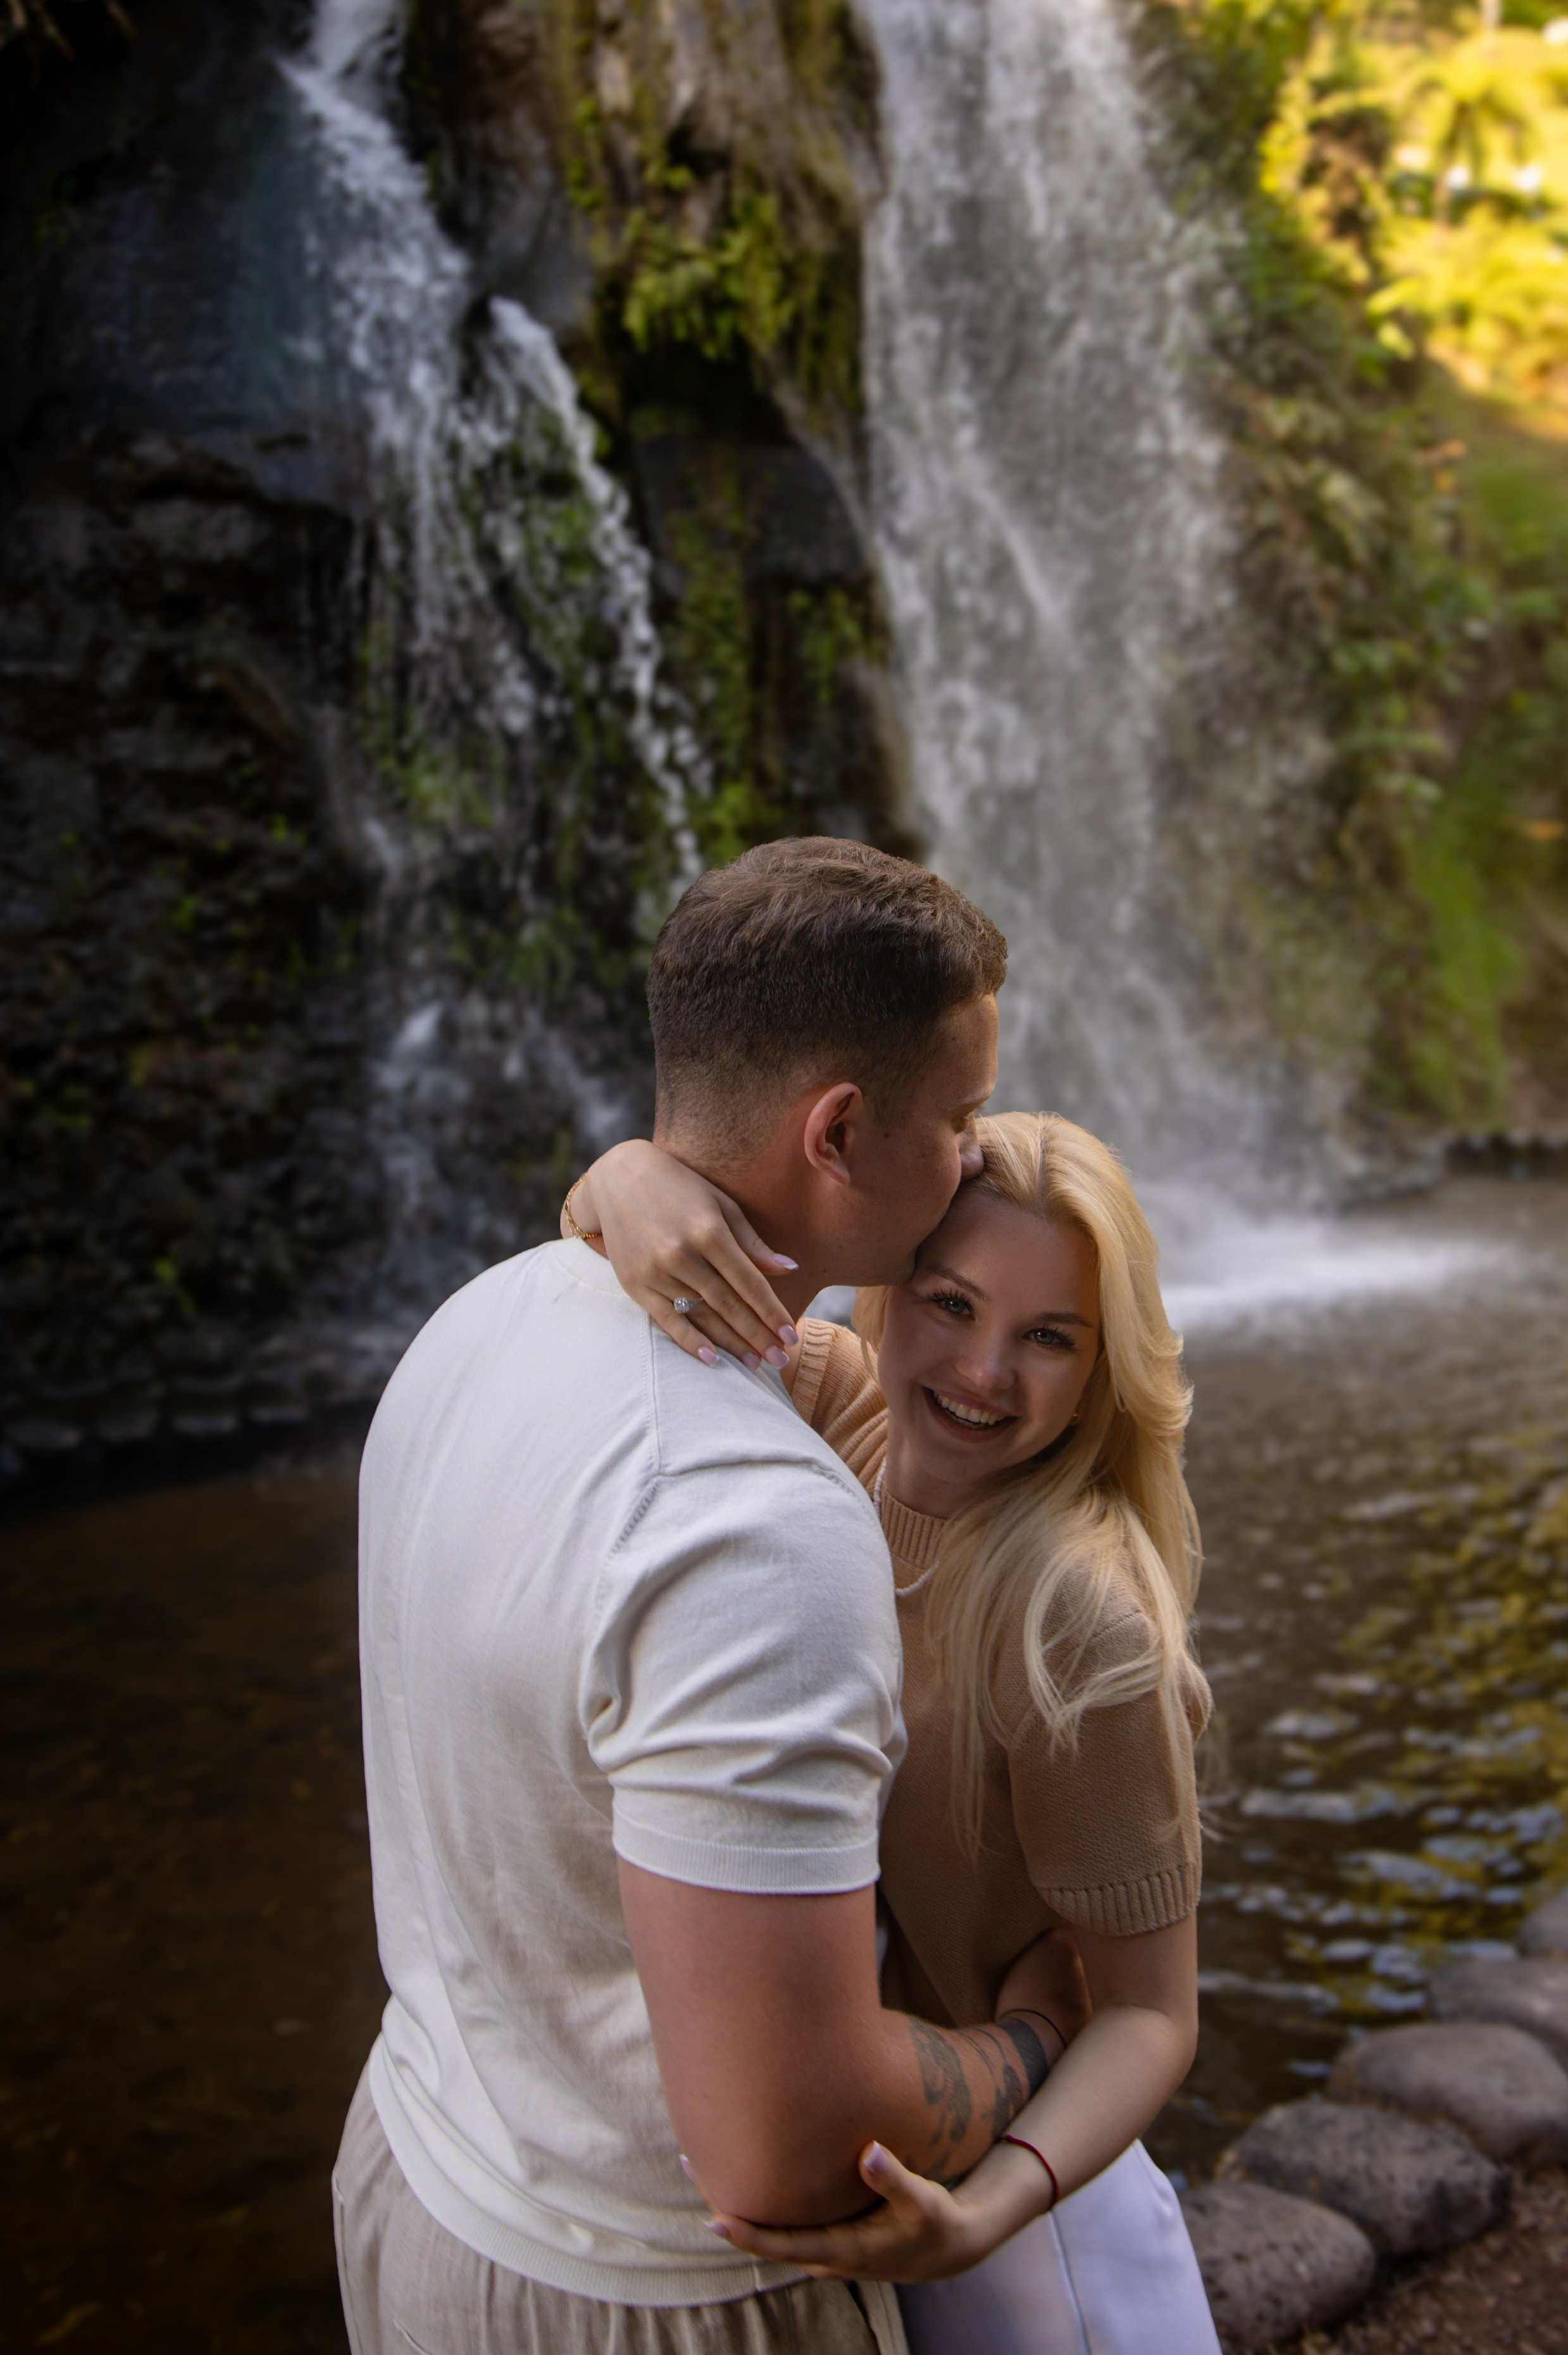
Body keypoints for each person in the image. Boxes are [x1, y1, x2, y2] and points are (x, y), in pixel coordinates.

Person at [334, 837, 1088, 2355]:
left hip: (422, 2177)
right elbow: (781, 2152)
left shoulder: (480, 1319)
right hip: (657, 2296)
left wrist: (624, 1174)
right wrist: (1035, 2039)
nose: (969, 1154)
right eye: (953, 1117)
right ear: (838, 1129)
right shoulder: (759, 1533)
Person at [568, 1107, 1222, 2354]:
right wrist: (620, 1177)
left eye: (1047, 1338)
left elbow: (1150, 2016)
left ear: (1098, 1370)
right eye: (949, 1304)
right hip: (855, 2128)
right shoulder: (833, 1408)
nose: (982, 1373)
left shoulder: (1076, 1620)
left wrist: (993, 2210)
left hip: (1023, 2214)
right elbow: (613, 1261)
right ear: (884, 1289)